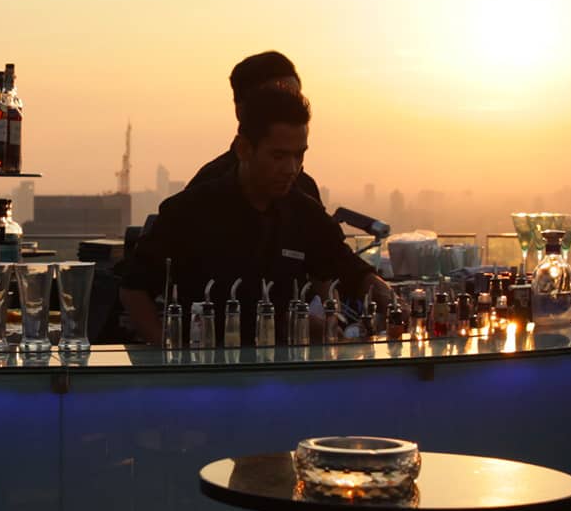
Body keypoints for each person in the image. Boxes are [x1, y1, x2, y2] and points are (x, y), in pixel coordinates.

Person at [119, 85, 393, 343]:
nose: (291, 169)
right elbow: (133, 288)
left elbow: (347, 267)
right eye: (278, 156)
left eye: (299, 156)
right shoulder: (189, 210)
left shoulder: (304, 213)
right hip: (207, 365)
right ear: (244, 149)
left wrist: (380, 290)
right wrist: (167, 351)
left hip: (283, 366)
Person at [183, 50, 324, 204]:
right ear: (241, 111)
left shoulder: (306, 191)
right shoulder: (202, 193)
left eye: (295, 99)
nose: (288, 108)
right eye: (273, 100)